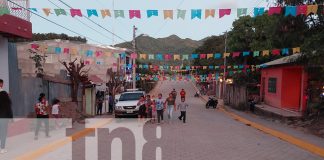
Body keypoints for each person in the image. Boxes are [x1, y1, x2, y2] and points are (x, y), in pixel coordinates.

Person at [0, 86, 13, 154]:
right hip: (4, 118)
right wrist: (11, 119)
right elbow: (9, 110)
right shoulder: (6, 101)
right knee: (3, 133)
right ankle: (2, 148)